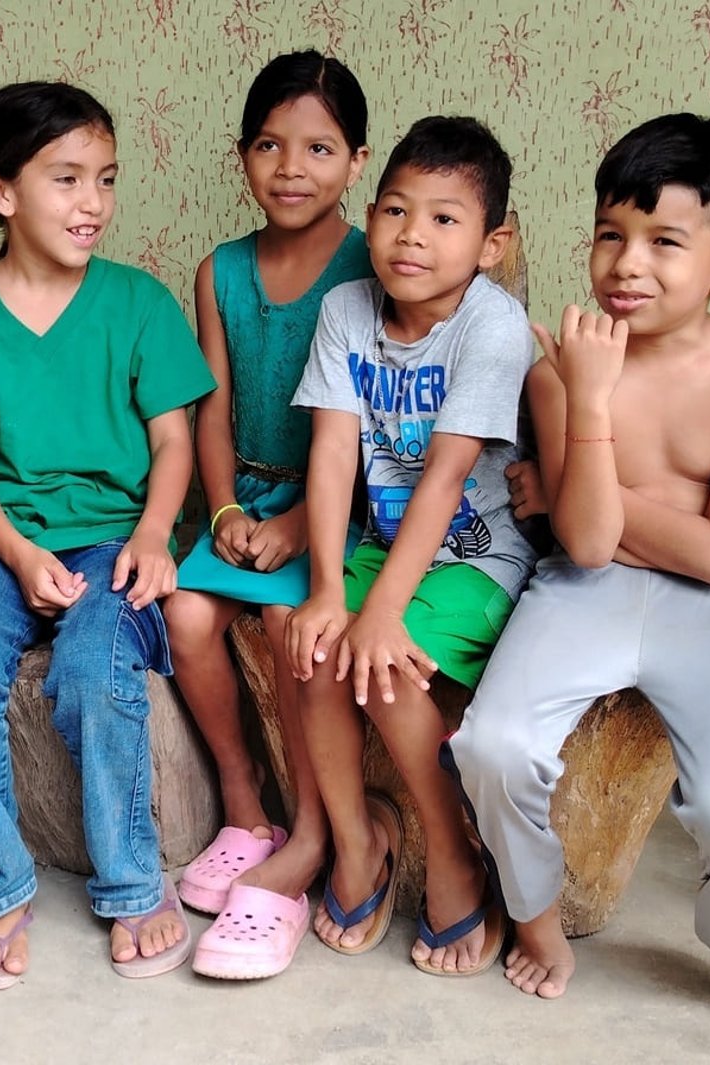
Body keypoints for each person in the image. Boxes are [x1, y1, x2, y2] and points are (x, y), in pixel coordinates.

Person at [447, 113, 710, 1060]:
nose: (628, 264)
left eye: (665, 242)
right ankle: (533, 912)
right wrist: (591, 400)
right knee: (491, 746)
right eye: (612, 235)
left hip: (709, 614)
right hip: (588, 589)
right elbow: (582, 543)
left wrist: (584, 481)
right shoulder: (560, 370)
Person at [0, 81, 216, 989]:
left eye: (106, 179)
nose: (94, 204)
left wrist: (157, 534)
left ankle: (130, 884)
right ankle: (1, 882)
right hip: (2, 542)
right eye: (67, 179)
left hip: (115, 537)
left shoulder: (138, 302)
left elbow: (173, 438)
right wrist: (17, 554)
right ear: (1, 192)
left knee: (93, 669)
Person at [289, 116, 533, 977]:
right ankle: (358, 845)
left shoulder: (492, 327)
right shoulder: (345, 311)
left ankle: (453, 848)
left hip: (476, 556)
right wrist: (328, 591)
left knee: (386, 666)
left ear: (491, 242)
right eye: (395, 210)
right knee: (314, 650)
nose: (411, 236)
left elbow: (442, 476)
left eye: (442, 218)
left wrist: (383, 612)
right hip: (379, 542)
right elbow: (330, 453)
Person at [162, 50, 375, 982]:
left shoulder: (377, 260)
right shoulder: (220, 271)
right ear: (242, 156)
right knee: (188, 613)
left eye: (319, 148)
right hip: (238, 493)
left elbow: (379, 420)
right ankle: (248, 808)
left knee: (293, 625)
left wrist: (297, 527)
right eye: (269, 145)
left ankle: (318, 832)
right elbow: (211, 405)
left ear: (357, 162)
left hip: (338, 503)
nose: (292, 167)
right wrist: (217, 511)